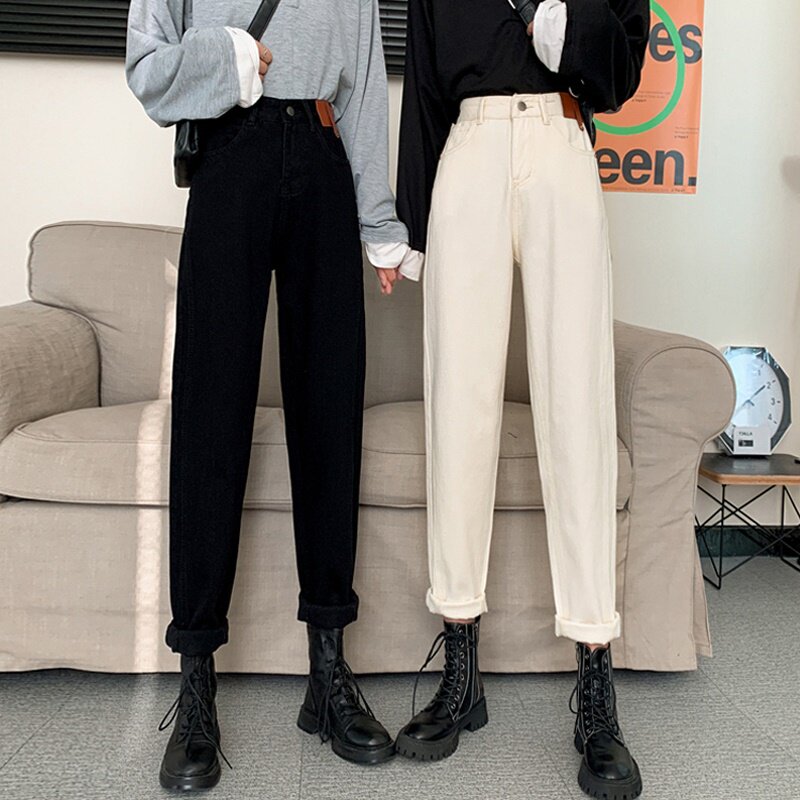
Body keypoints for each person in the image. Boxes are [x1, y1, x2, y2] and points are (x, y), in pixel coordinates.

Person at [126, 0, 413, 790]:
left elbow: (363, 86)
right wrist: (226, 56)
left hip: (322, 160)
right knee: (210, 419)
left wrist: (378, 221)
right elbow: (148, 70)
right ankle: (196, 681)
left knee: (330, 418)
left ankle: (328, 670)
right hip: (229, 157)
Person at [394, 1, 650, 798]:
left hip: (564, 142)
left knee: (578, 416)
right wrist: (407, 227)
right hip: (465, 152)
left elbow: (622, 70)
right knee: (458, 411)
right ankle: (461, 669)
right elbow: (424, 91)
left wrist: (560, 21)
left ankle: (595, 684)